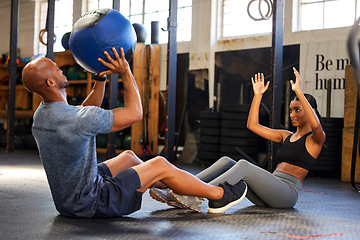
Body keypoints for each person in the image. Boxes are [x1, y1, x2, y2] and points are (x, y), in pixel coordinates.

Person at [22, 47, 247, 218]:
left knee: (129, 157)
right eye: (56, 69)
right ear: (51, 81)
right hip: (93, 202)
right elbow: (134, 113)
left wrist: (100, 79)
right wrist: (126, 72)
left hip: (69, 200)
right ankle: (219, 196)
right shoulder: (76, 120)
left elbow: (82, 114)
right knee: (160, 164)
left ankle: (174, 190)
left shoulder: (42, 115)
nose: (61, 69)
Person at [150, 67, 326, 212]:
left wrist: (299, 93)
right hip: (269, 189)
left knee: (243, 165)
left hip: (286, 193)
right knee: (227, 161)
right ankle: (180, 187)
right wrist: (257, 96)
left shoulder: (315, 140)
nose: (292, 114)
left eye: (297, 110)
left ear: (310, 111)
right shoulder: (286, 136)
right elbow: (253, 125)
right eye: (291, 110)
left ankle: (193, 194)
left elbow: (316, 126)